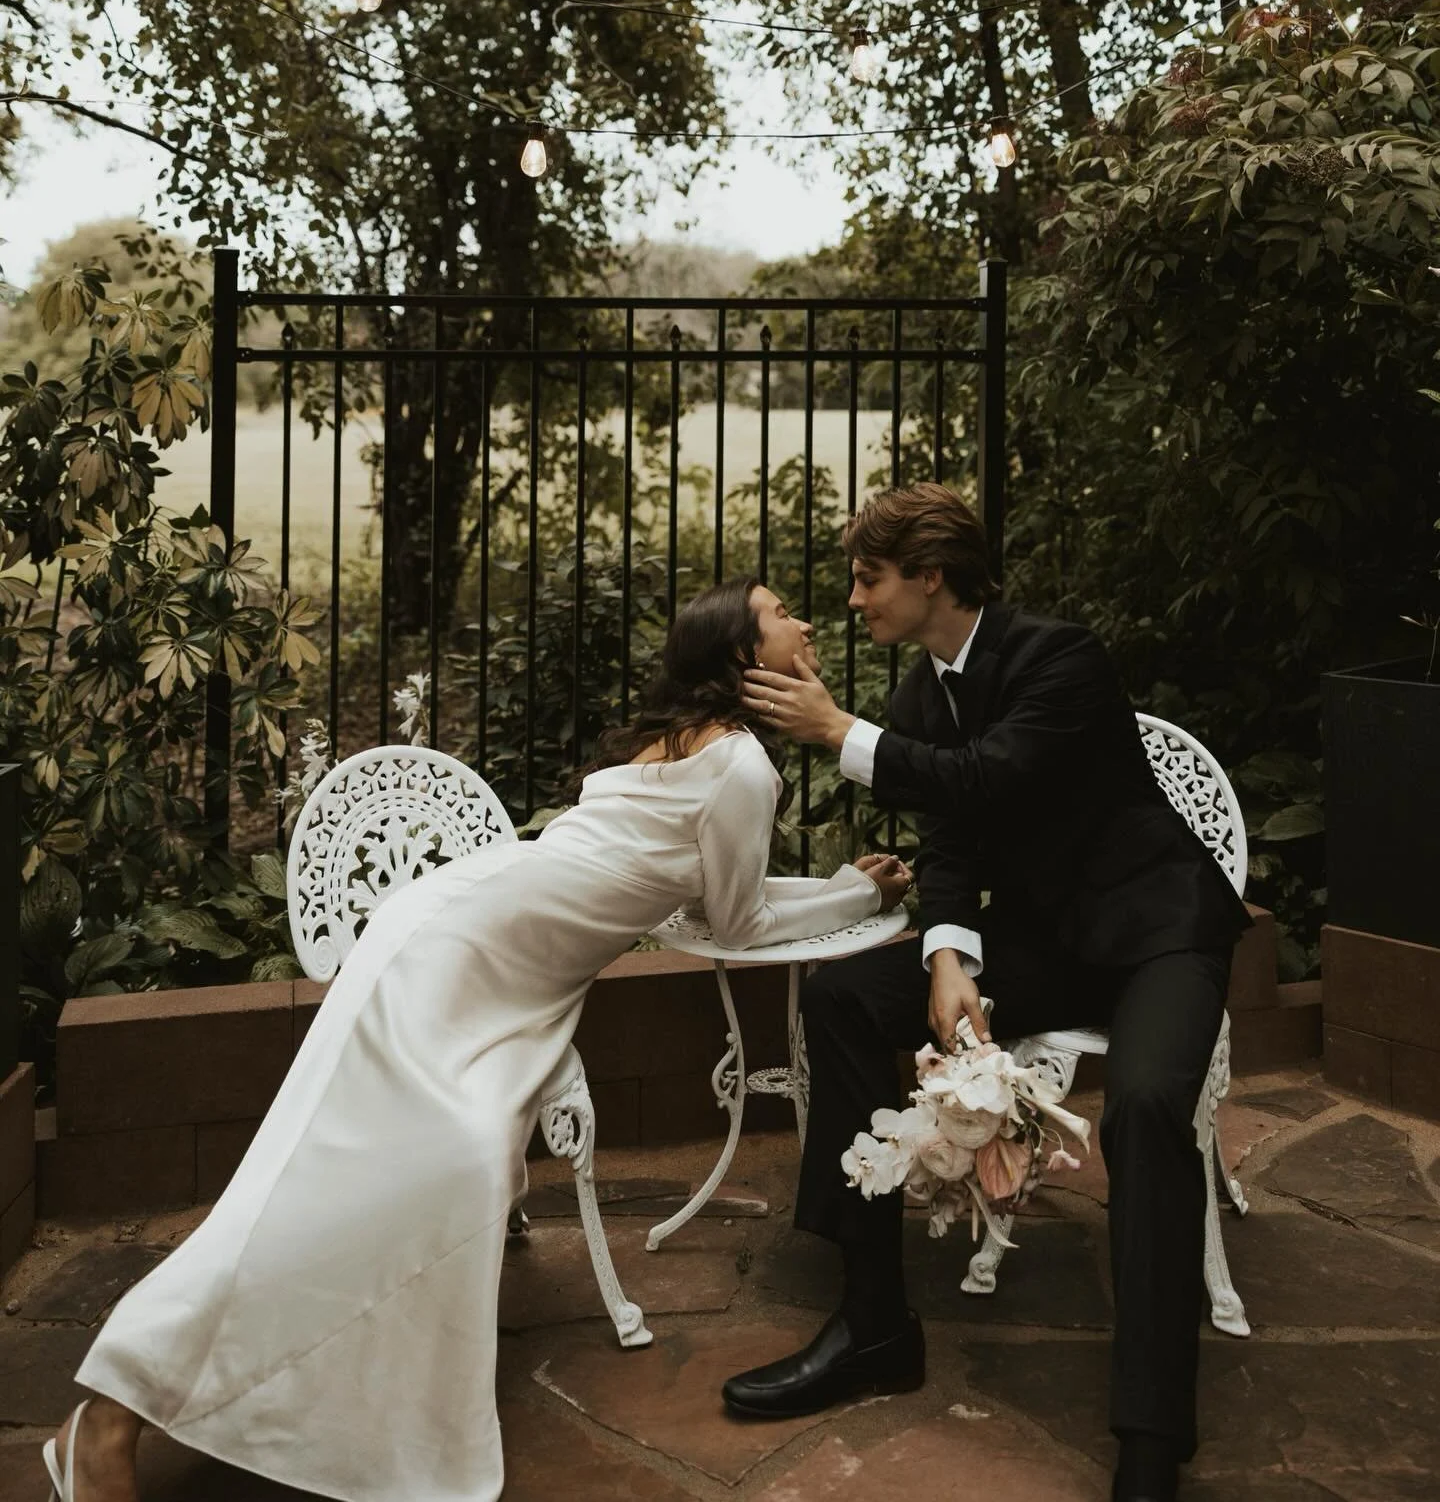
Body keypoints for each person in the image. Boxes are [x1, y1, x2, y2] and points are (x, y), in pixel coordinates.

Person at [46, 577, 912, 1502]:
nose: (810, 622)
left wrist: (848, 888)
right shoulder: (740, 767)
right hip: (456, 959)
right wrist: (857, 893)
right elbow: (738, 925)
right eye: (784, 613)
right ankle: (111, 1412)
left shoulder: (717, 753)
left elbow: (721, 905)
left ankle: (289, 1396)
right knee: (320, 1185)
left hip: (478, 957)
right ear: (744, 655)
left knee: (416, 1173)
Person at [725, 484, 1252, 1502]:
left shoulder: (1062, 654)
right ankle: (874, 1324)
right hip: (1046, 939)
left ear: (930, 575)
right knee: (840, 998)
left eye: (867, 578)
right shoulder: (924, 691)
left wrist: (841, 732)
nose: (850, 601)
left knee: (1144, 1109)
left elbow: (987, 776)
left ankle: (1151, 1436)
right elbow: (951, 844)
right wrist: (949, 957)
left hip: (1160, 931)